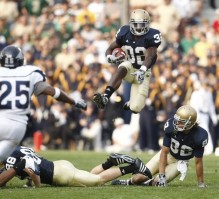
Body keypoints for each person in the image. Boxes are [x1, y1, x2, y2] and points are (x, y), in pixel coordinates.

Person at [0, 45, 87, 163]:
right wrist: (74, 101)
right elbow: (53, 92)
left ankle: (19, 167)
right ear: (20, 60)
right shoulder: (30, 72)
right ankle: (21, 167)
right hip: (17, 127)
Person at [110, 105, 208, 188]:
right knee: (139, 178)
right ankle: (129, 182)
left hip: (180, 162)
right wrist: (162, 175)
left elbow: (198, 162)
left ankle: (148, 182)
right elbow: (164, 152)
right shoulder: (170, 127)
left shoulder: (199, 136)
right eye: (177, 120)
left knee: (158, 183)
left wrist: (201, 183)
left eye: (181, 121)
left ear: (189, 123)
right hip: (168, 155)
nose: (176, 123)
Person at [93, 9, 162, 113]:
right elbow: (110, 49)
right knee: (123, 65)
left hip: (143, 73)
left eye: (142, 24)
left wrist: (142, 70)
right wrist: (109, 57)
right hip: (129, 68)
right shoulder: (124, 32)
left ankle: (131, 103)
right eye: (136, 24)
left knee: (135, 109)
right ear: (131, 23)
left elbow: (151, 55)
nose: (139, 28)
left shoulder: (152, 35)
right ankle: (105, 97)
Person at [0, 146, 152, 187]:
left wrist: (36, 186)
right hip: (60, 165)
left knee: (97, 180)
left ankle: (132, 167)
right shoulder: (17, 149)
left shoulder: (11, 158)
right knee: (90, 175)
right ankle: (110, 163)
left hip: (60, 175)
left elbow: (32, 169)